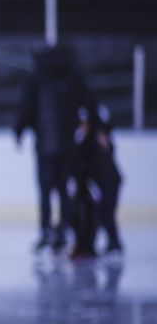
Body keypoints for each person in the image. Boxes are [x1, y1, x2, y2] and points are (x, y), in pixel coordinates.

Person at [14, 43, 94, 254]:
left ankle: (47, 231)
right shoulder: (71, 77)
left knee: (46, 190)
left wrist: (19, 130)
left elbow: (26, 108)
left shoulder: (38, 79)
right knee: (63, 190)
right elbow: (88, 105)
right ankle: (61, 230)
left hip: (46, 147)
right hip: (66, 146)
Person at [72, 103, 122, 259]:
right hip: (104, 181)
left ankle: (113, 243)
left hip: (110, 181)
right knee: (102, 213)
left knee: (105, 213)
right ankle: (101, 244)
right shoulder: (89, 141)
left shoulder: (97, 139)